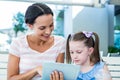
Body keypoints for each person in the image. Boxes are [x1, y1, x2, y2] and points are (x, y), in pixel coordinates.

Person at [7, 3, 65, 80]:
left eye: (51, 25)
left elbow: (58, 75)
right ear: (30, 26)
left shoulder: (60, 42)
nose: (48, 32)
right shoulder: (18, 44)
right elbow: (10, 78)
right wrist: (35, 70)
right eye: (42, 28)